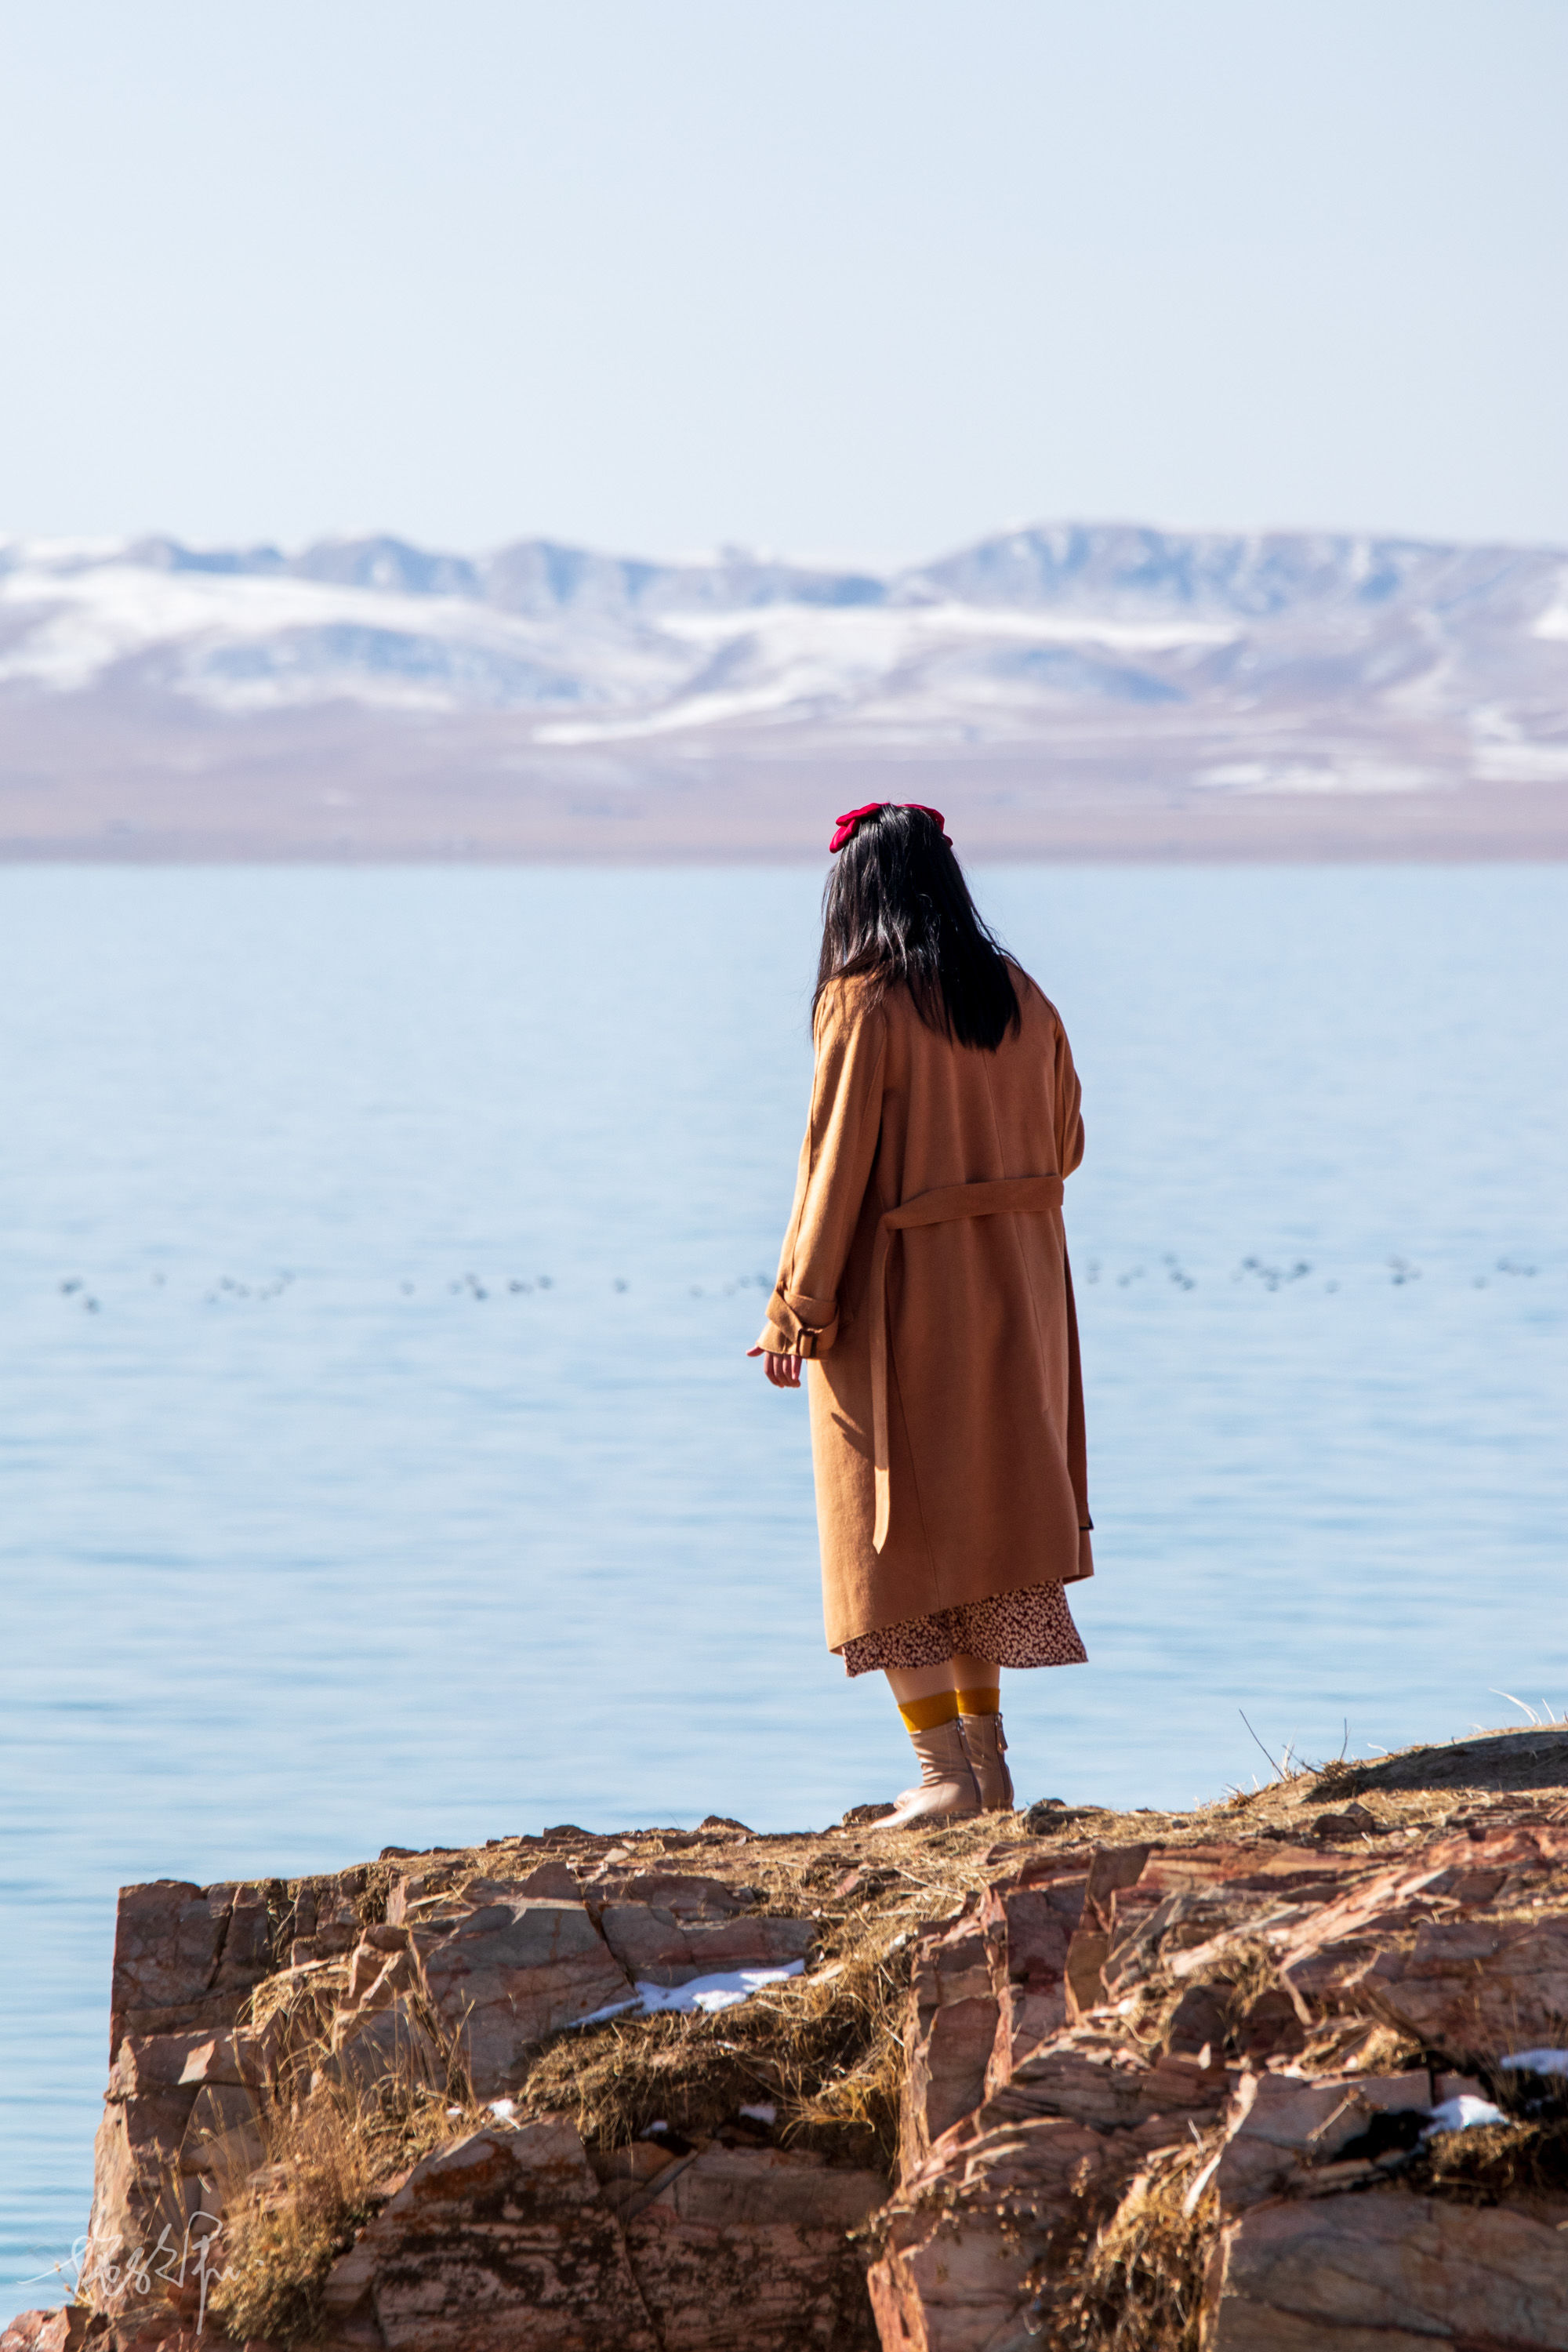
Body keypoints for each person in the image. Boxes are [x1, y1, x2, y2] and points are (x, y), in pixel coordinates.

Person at [750, 802, 1092, 1829]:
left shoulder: (864, 1005)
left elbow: (833, 1166)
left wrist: (796, 1310)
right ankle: (986, 1771)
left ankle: (941, 1776)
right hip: (1021, 1292)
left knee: (889, 1535)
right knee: (982, 1526)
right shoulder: (1019, 993)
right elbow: (1068, 1143)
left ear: (856, 893)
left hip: (899, 1296)